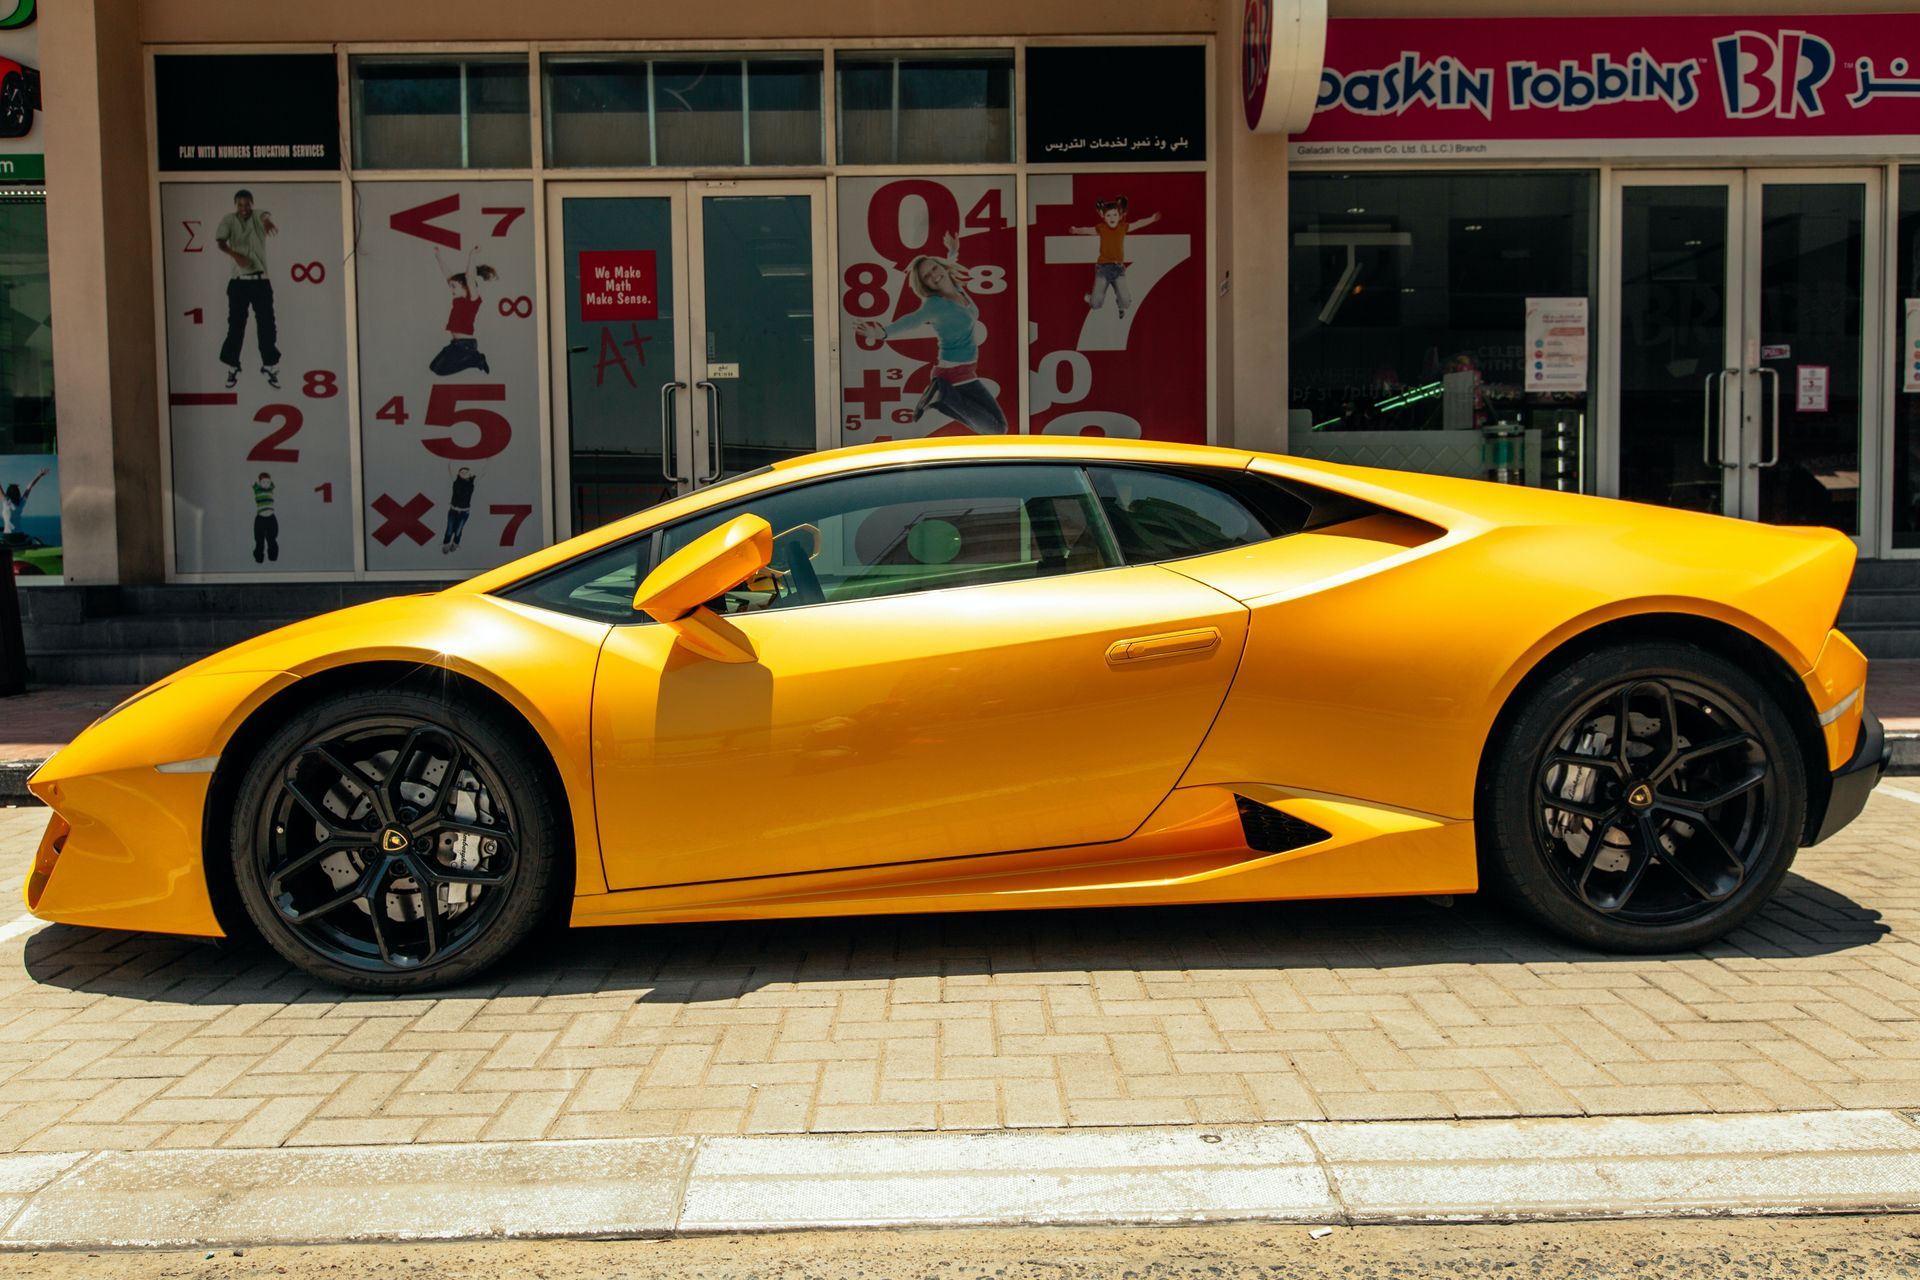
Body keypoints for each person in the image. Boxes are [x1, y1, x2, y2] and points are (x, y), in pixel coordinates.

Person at [854, 232, 1008, 435]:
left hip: (963, 370)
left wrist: (953, 251)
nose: (934, 275)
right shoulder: (934, 305)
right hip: (954, 373)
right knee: (997, 429)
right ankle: (941, 394)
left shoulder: (955, 287)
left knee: (989, 426)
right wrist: (882, 333)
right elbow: (910, 321)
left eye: (935, 268)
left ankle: (939, 400)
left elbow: (946, 268)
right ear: (925, 285)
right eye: (927, 276)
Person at [215, 190, 281, 390]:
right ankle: (233, 365)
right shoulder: (229, 220)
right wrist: (236, 256)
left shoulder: (257, 215)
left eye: (246, 204)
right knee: (236, 324)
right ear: (236, 205)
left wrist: (267, 223)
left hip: (260, 280)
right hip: (239, 281)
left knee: (267, 323)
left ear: (251, 203)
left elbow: (264, 215)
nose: (243, 208)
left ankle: (269, 365)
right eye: (240, 205)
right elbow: (220, 242)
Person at [1071, 196, 1160, 321]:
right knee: (1096, 305)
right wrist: (1076, 230)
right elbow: (1086, 230)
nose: (1112, 218)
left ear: (1120, 216)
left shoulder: (1123, 227)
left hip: (1118, 269)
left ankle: (1120, 305)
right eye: (1108, 215)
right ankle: (1091, 298)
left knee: (1126, 303)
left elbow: (1139, 223)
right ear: (1103, 217)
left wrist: (1152, 219)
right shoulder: (1101, 228)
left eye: (1114, 215)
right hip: (1103, 269)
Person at [429, 246, 497, 378]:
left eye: (454, 287)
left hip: (466, 345)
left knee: (440, 370)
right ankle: (475, 359)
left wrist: (472, 256)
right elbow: (447, 275)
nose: (451, 290)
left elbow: (469, 276)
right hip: (456, 344)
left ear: (465, 286)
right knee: (434, 367)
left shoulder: (473, 300)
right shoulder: (458, 300)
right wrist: (438, 257)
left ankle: (475, 359)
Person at [443, 463, 480, 554]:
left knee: (458, 530)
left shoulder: (472, 483)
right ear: (459, 473)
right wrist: (450, 460)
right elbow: (450, 470)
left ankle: (455, 544)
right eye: (461, 472)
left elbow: (482, 472)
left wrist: (488, 461)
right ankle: (446, 544)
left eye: (466, 472)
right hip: (453, 510)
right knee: (449, 529)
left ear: (469, 474)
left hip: (464, 512)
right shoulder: (456, 482)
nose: (463, 473)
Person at [0, 466, 48, 536]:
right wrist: (39, 475)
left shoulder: (6, 502)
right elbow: (29, 487)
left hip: (9, 537)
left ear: (8, 492)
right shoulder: (21, 503)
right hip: (20, 535)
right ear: (18, 493)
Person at [251, 471, 278, 564]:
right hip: (260, 518)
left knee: (272, 539)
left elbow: (272, 484)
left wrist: (268, 478)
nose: (266, 484)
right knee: (259, 540)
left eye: (268, 482)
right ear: (259, 482)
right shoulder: (257, 489)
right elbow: (253, 483)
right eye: (263, 482)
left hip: (271, 518)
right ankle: (259, 558)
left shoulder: (270, 489)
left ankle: (273, 557)